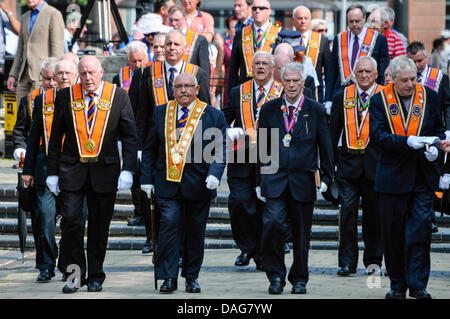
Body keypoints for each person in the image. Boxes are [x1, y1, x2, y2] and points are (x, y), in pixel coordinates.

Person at [45, 56, 138, 293]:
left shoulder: (118, 96)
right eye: (83, 73)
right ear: (78, 73)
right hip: (71, 170)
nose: (87, 78)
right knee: (71, 223)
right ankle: (75, 275)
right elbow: (55, 137)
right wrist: (52, 172)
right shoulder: (66, 96)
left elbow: (129, 137)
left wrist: (128, 169)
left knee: (99, 226)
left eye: (91, 73)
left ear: (101, 72)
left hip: (105, 172)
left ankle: (96, 274)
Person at [140, 72, 227, 294]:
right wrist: (146, 178)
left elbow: (220, 148)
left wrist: (215, 173)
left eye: (189, 86)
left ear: (197, 89)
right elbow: (150, 148)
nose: (184, 91)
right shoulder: (161, 112)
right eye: (179, 86)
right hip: (167, 183)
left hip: (199, 184)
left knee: (195, 231)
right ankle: (168, 277)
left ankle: (191, 276)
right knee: (168, 225)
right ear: (173, 89)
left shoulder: (213, 115)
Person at [369, 56, 445, 299]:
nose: (411, 84)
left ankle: (418, 284)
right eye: (405, 80)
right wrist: (406, 141)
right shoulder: (379, 101)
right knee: (392, 235)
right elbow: (378, 137)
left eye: (414, 78)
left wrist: (435, 149)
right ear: (392, 79)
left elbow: (438, 129)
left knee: (420, 232)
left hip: (422, 176)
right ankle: (397, 284)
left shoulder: (429, 96)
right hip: (392, 177)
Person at [257, 62, 333, 294]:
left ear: (303, 82)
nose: (291, 85)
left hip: (303, 180)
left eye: (295, 81)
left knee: (301, 233)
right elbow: (262, 147)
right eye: (287, 81)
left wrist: (328, 177)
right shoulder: (269, 109)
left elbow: (326, 146)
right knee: (272, 224)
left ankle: (299, 278)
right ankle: (276, 276)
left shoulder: (316, 110)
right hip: (274, 179)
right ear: (281, 81)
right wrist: (258, 181)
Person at [223, 51, 282, 270]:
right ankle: (248, 247)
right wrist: (227, 130)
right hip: (241, 158)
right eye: (256, 63)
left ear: (272, 67)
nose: (260, 67)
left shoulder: (282, 91)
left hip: (270, 159)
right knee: (240, 203)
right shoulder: (239, 91)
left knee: (263, 207)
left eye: (265, 63)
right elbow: (224, 117)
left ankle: (260, 252)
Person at [21, 58, 77, 283]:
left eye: (67, 74)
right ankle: (46, 264)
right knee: (44, 217)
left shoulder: (82, 99)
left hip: (74, 169)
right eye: (58, 75)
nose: (62, 78)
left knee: (73, 220)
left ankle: (66, 263)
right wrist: (28, 169)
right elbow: (34, 136)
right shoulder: (43, 100)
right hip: (46, 167)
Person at [330, 56, 384, 276]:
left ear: (376, 74)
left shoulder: (386, 95)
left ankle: (373, 262)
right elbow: (332, 134)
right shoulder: (342, 96)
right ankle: (346, 262)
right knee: (347, 217)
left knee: (374, 218)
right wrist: (328, 168)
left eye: (368, 72)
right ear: (354, 73)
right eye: (360, 71)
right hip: (348, 165)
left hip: (376, 167)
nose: (363, 76)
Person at [136, 29, 211, 153]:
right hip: (157, 144)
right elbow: (142, 113)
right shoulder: (149, 73)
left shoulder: (198, 74)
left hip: (190, 144)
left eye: (176, 44)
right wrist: (139, 148)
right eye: (168, 44)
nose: (172, 48)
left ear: (185, 48)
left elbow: (205, 111)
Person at [112, 41, 151, 251]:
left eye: (140, 60)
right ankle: (139, 214)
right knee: (134, 179)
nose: (137, 64)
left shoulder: (154, 75)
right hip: (128, 132)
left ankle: (149, 225)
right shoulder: (120, 76)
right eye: (133, 61)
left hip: (148, 135)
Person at [324, 4, 389, 115]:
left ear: (364, 18)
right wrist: (328, 99)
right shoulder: (339, 39)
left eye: (357, 21)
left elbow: (382, 71)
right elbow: (332, 71)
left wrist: (382, 94)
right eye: (351, 21)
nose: (354, 25)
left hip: (369, 94)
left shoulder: (378, 39)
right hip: (342, 94)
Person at [7, 0, 64, 105]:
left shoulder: (53, 14)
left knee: (38, 112)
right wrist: (12, 74)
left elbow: (57, 48)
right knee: (21, 114)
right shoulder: (24, 17)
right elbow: (20, 49)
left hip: (43, 75)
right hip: (23, 75)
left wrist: (53, 76)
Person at [228, 0, 280, 94]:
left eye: (262, 8)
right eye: (254, 8)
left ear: (269, 11)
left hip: (271, 89)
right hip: (246, 88)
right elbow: (233, 68)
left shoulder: (278, 34)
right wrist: (231, 95)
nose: (257, 11)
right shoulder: (241, 34)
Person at [13, 57, 57, 163]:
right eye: (48, 79)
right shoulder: (27, 101)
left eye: (54, 79)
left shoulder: (65, 98)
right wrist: (20, 149)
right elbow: (20, 130)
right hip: (35, 155)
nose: (51, 83)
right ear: (41, 76)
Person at [291, 5, 331, 103]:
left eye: (306, 18)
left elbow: (328, 72)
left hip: (315, 93)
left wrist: (328, 99)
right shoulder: (287, 39)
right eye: (300, 18)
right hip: (291, 90)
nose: (303, 21)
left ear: (310, 20)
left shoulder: (322, 40)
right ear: (293, 20)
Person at [407, 41, 450, 128]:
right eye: (413, 61)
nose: (416, 65)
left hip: (434, 128)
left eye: (419, 61)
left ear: (426, 58)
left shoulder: (440, 77)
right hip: (410, 128)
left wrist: (448, 130)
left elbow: (447, 106)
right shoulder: (404, 77)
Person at [167, 5, 210, 77]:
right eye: (171, 20)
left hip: (191, 83)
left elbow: (205, 71)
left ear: (185, 18)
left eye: (177, 20)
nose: (173, 24)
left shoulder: (199, 40)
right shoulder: (166, 38)